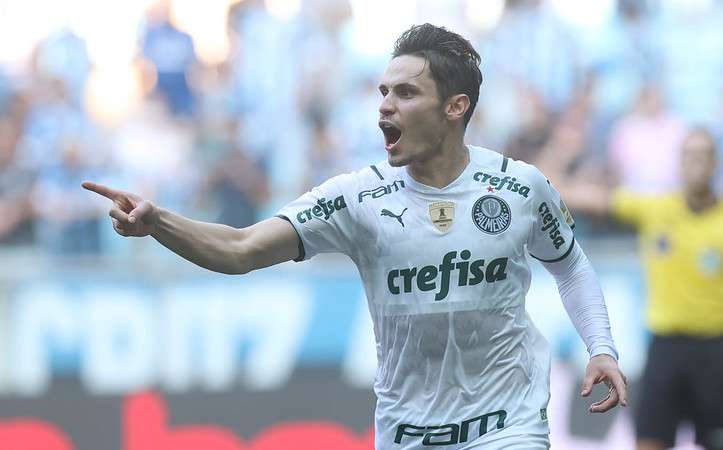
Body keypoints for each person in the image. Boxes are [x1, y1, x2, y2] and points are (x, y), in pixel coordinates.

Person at [83, 24, 627, 450]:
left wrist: (600, 348)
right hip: (408, 432)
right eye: (383, 91)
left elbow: (570, 265)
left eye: (406, 93)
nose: (384, 105)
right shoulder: (357, 199)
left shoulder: (519, 187)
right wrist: (159, 224)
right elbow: (241, 249)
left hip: (509, 423)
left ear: (455, 107)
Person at [562, 128, 723, 450]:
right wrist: (550, 165)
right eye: (689, 154)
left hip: (718, 353)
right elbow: (586, 198)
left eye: (704, 154)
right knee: (648, 442)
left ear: (716, 163)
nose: (696, 162)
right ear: (679, 163)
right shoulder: (655, 209)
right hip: (666, 350)